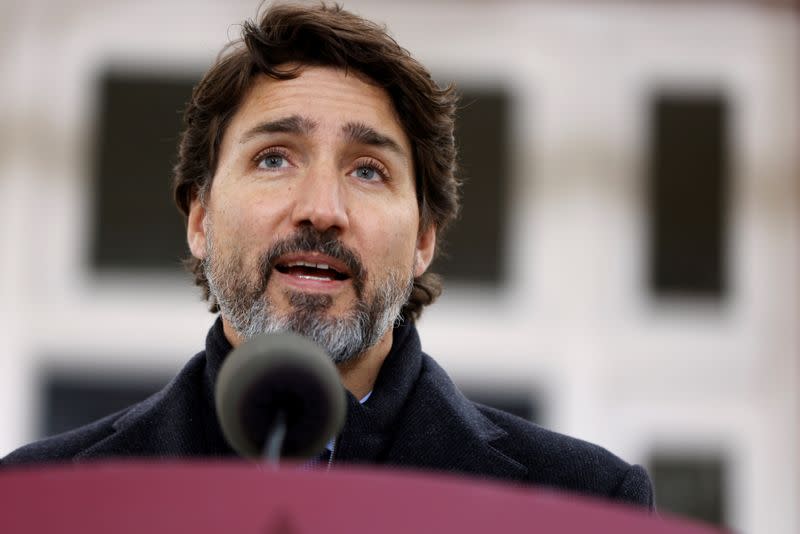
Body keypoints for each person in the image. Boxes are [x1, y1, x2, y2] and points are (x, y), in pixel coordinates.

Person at [2, 3, 653, 510]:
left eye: (368, 171)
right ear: (200, 220)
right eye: (275, 157)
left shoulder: (581, 502)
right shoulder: (39, 497)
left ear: (424, 239)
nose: (321, 208)